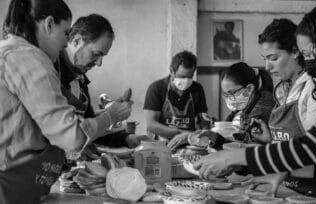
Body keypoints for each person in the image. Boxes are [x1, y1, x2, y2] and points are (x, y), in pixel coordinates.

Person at [194, 6, 316, 201]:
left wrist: (234, 157)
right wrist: (278, 162)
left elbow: (314, 149)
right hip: (292, 186)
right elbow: (315, 147)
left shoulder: (315, 89)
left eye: (310, 55)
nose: (267, 66)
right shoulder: (284, 90)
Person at [0, 0, 131, 203]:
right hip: (10, 188)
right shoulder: (29, 57)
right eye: (66, 33)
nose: (65, 42)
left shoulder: (12, 52)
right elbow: (73, 137)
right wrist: (110, 116)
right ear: (49, 24)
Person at [55, 14, 143, 150]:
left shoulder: (80, 79)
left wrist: (125, 138)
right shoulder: (52, 70)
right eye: (96, 53)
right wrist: (111, 115)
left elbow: (91, 125)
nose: (99, 63)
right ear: (77, 40)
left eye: (102, 56)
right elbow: (65, 132)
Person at [144, 50, 211, 150]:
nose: (186, 81)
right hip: (159, 145)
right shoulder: (156, 89)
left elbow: (204, 122)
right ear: (172, 71)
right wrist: (180, 133)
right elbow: (151, 125)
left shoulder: (197, 89)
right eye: (182, 76)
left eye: (190, 77)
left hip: (189, 145)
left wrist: (202, 136)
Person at [206, 62, 275, 150]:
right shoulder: (247, 104)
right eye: (226, 94)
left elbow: (249, 148)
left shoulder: (262, 109)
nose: (229, 99)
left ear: (249, 88)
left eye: (232, 93)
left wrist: (218, 139)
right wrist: (214, 136)